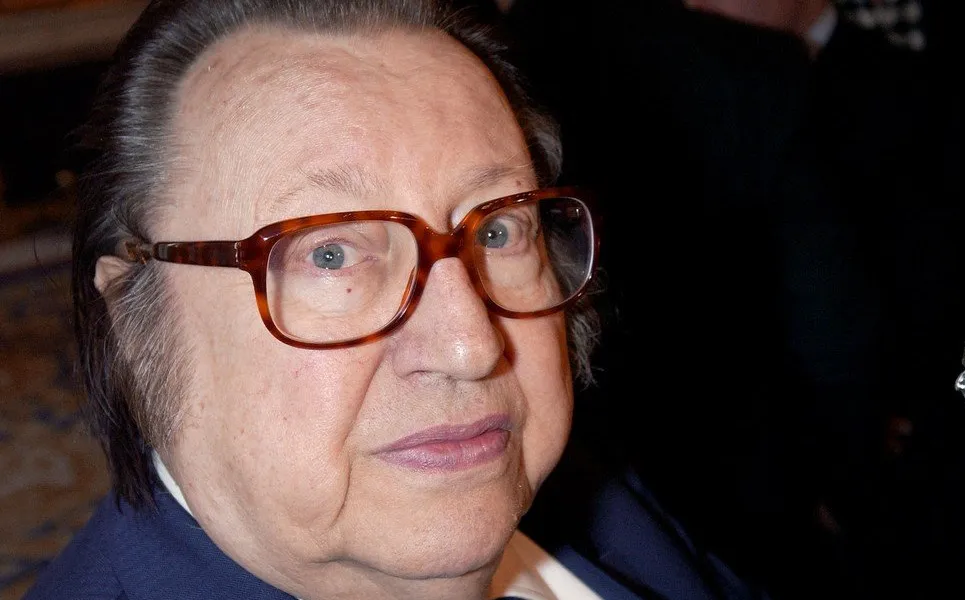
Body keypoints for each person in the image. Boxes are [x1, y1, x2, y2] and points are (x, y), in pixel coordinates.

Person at [24, 1, 767, 598]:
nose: (470, 347)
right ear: (135, 324)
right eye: (330, 253)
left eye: (498, 231)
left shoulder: (606, 500)